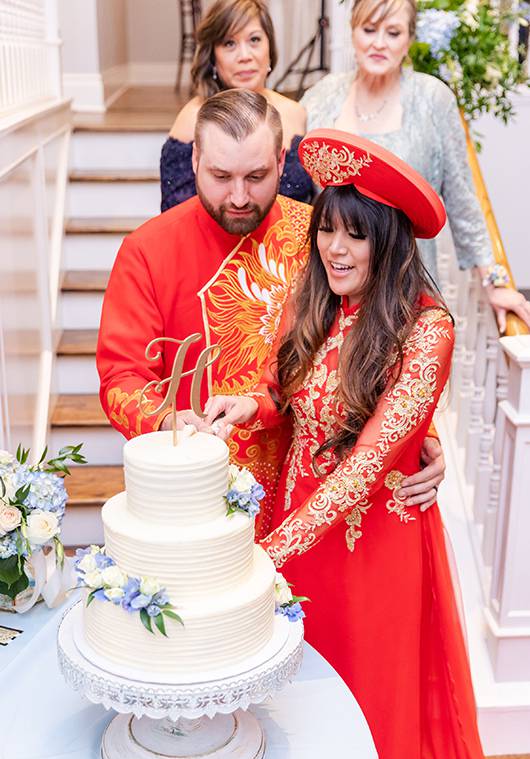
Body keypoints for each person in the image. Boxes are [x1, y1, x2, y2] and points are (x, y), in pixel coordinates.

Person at [205, 130, 494, 759]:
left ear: (389, 240)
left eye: (355, 235)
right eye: (328, 229)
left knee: (365, 707)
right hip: (301, 536)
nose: (335, 248)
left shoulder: (428, 331)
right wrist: (247, 405)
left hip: (373, 554)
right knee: (298, 706)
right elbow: (289, 392)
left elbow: (367, 465)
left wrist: (265, 554)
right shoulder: (316, 297)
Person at [97, 89, 444, 538]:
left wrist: (421, 431)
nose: (239, 196)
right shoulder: (148, 251)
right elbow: (121, 378)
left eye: (256, 176)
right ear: (195, 159)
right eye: (221, 176)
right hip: (202, 496)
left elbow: (385, 334)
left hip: (320, 486)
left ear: (282, 162)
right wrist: (167, 421)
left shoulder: (322, 236)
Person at [300, 0, 530, 332]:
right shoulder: (320, 98)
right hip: (332, 286)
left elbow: (463, 199)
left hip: (405, 290)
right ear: (353, 31)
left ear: (409, 40)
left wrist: (495, 282)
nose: (379, 43)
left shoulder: (433, 98)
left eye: (393, 33)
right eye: (369, 30)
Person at [160, 0, 312, 211]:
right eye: (229, 44)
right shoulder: (193, 119)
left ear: (270, 47)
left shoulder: (295, 113)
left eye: (254, 40)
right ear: (212, 56)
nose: (245, 56)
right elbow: (177, 216)